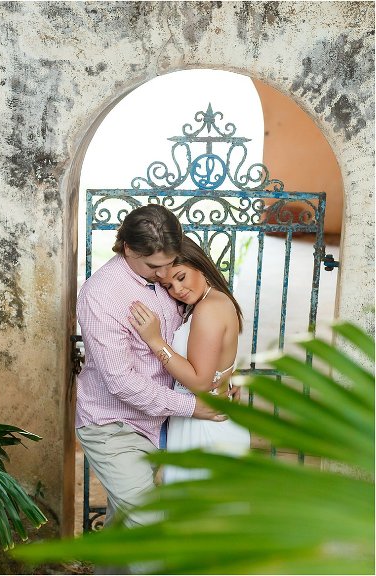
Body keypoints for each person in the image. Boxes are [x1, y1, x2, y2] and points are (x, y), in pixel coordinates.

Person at [75, 204, 228, 538]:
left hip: (161, 423)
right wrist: (193, 406)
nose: (164, 275)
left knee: (123, 530)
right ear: (128, 248)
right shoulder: (102, 295)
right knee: (150, 528)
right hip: (114, 426)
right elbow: (121, 381)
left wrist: (221, 379)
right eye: (155, 267)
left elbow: (197, 342)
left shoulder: (171, 278)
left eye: (170, 264)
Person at [129, 236, 250, 483]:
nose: (177, 290)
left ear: (200, 265)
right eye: (168, 286)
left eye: (181, 277)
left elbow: (200, 382)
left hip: (206, 426)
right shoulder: (212, 301)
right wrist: (229, 373)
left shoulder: (208, 308)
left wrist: (155, 341)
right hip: (202, 420)